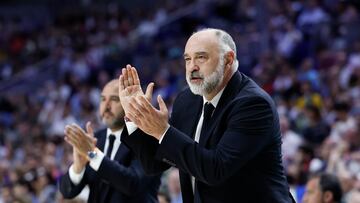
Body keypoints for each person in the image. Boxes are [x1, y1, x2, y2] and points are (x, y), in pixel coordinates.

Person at [118, 28, 294, 202]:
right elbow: (154, 163)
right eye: (188, 59)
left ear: (228, 59)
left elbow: (216, 170)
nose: (192, 67)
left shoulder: (253, 104)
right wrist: (135, 117)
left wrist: (162, 131)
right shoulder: (187, 100)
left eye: (201, 57)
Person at [59, 79, 160, 203]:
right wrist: (77, 167)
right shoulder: (95, 139)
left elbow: (134, 183)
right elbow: (67, 191)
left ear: (130, 102)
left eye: (114, 99)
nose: (106, 106)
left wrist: (93, 154)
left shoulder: (148, 138)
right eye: (102, 99)